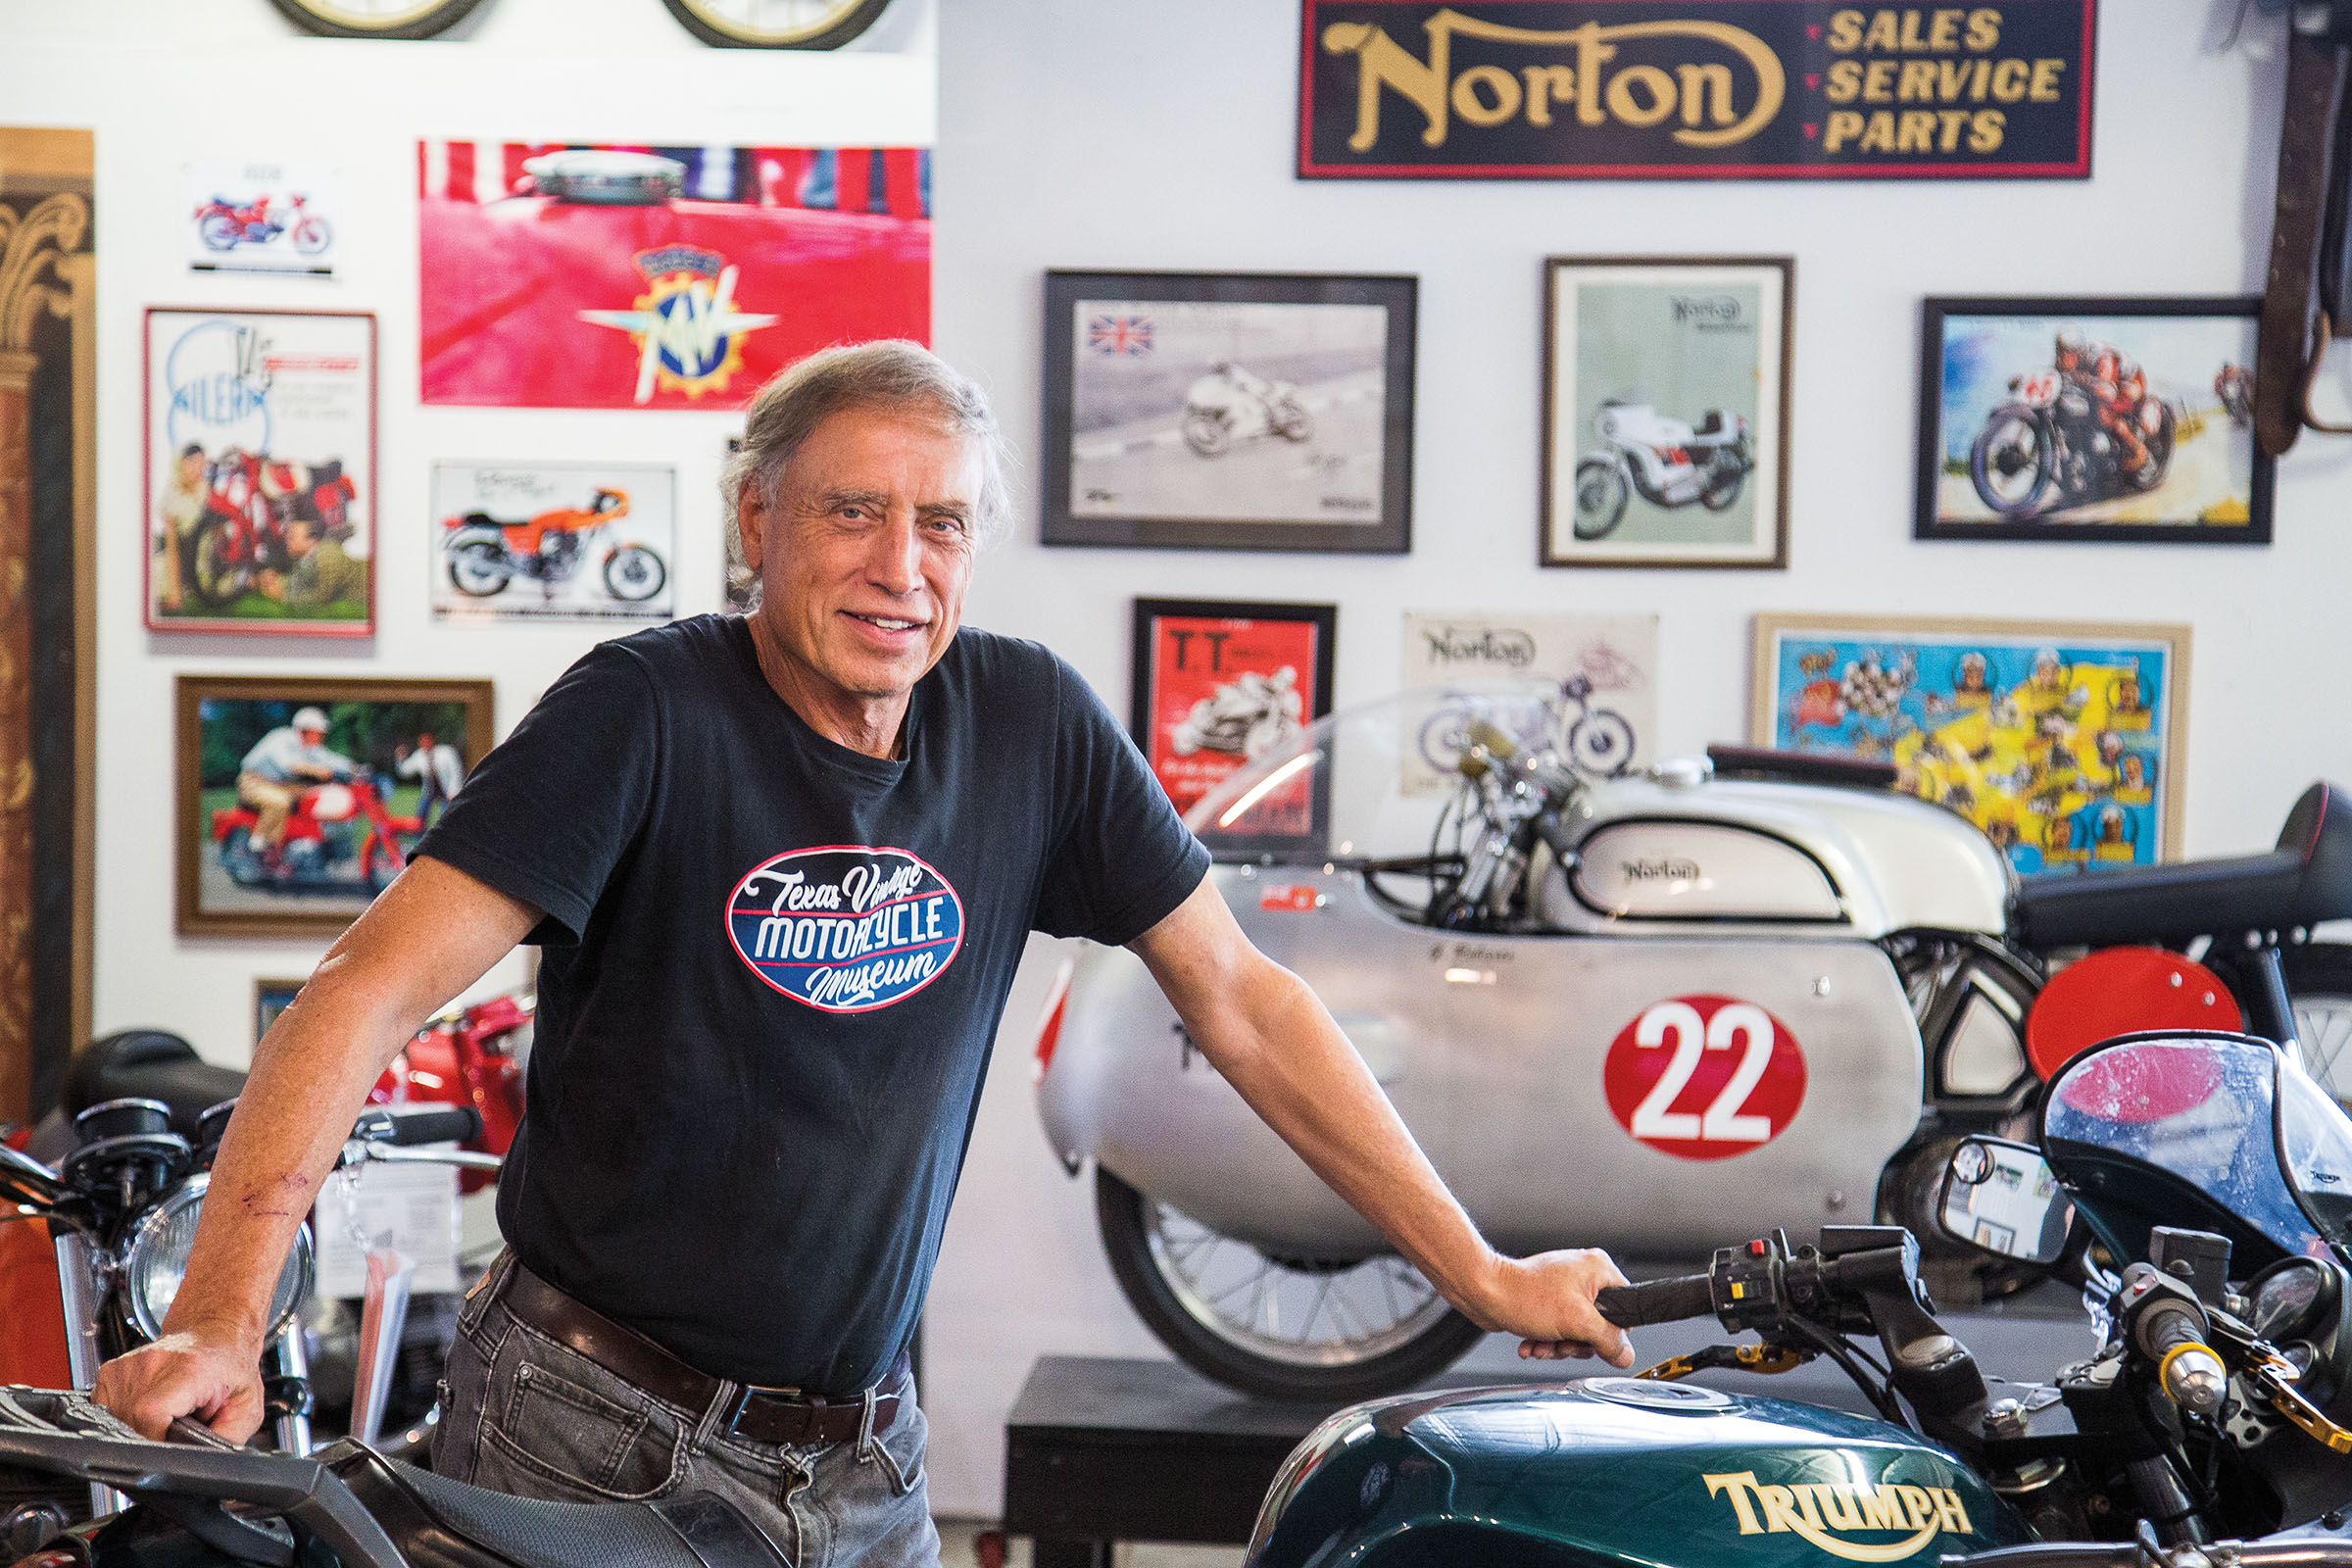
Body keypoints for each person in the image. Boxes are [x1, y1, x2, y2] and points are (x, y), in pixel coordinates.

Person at [95, 342, 1632, 1565]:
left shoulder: (1029, 725)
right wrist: (225, 1313)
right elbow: (365, 989)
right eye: (852, 511)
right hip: (584, 1425)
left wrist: (1481, 1272)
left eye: (942, 520)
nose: (902, 563)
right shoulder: (644, 712)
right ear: (756, 520)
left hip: (865, 1461)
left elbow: (1243, 1001)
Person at [236, 707, 355, 854]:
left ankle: (310, 844)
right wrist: (316, 770)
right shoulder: (280, 738)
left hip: (281, 784)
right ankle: (257, 848)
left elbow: (328, 758)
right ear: (304, 730)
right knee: (280, 801)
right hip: (253, 782)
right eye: (318, 733)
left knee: (317, 796)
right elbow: (287, 765)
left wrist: (353, 768)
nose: (320, 737)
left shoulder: (309, 747)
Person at [154, 443, 207, 614]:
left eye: (201, 464)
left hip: (210, 559)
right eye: (192, 463)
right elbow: (172, 548)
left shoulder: (205, 490)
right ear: (181, 464)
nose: (197, 470)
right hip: (185, 563)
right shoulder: (172, 499)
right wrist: (175, 594)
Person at [395, 730, 466, 825]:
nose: (425, 744)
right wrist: (400, 758)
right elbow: (405, 771)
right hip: (430, 789)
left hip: (446, 789)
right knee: (420, 817)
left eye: (427, 740)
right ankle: (419, 836)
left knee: (446, 817)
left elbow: (456, 771)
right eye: (422, 741)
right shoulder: (419, 755)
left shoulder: (447, 752)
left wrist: (453, 791)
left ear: (432, 741)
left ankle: (444, 835)